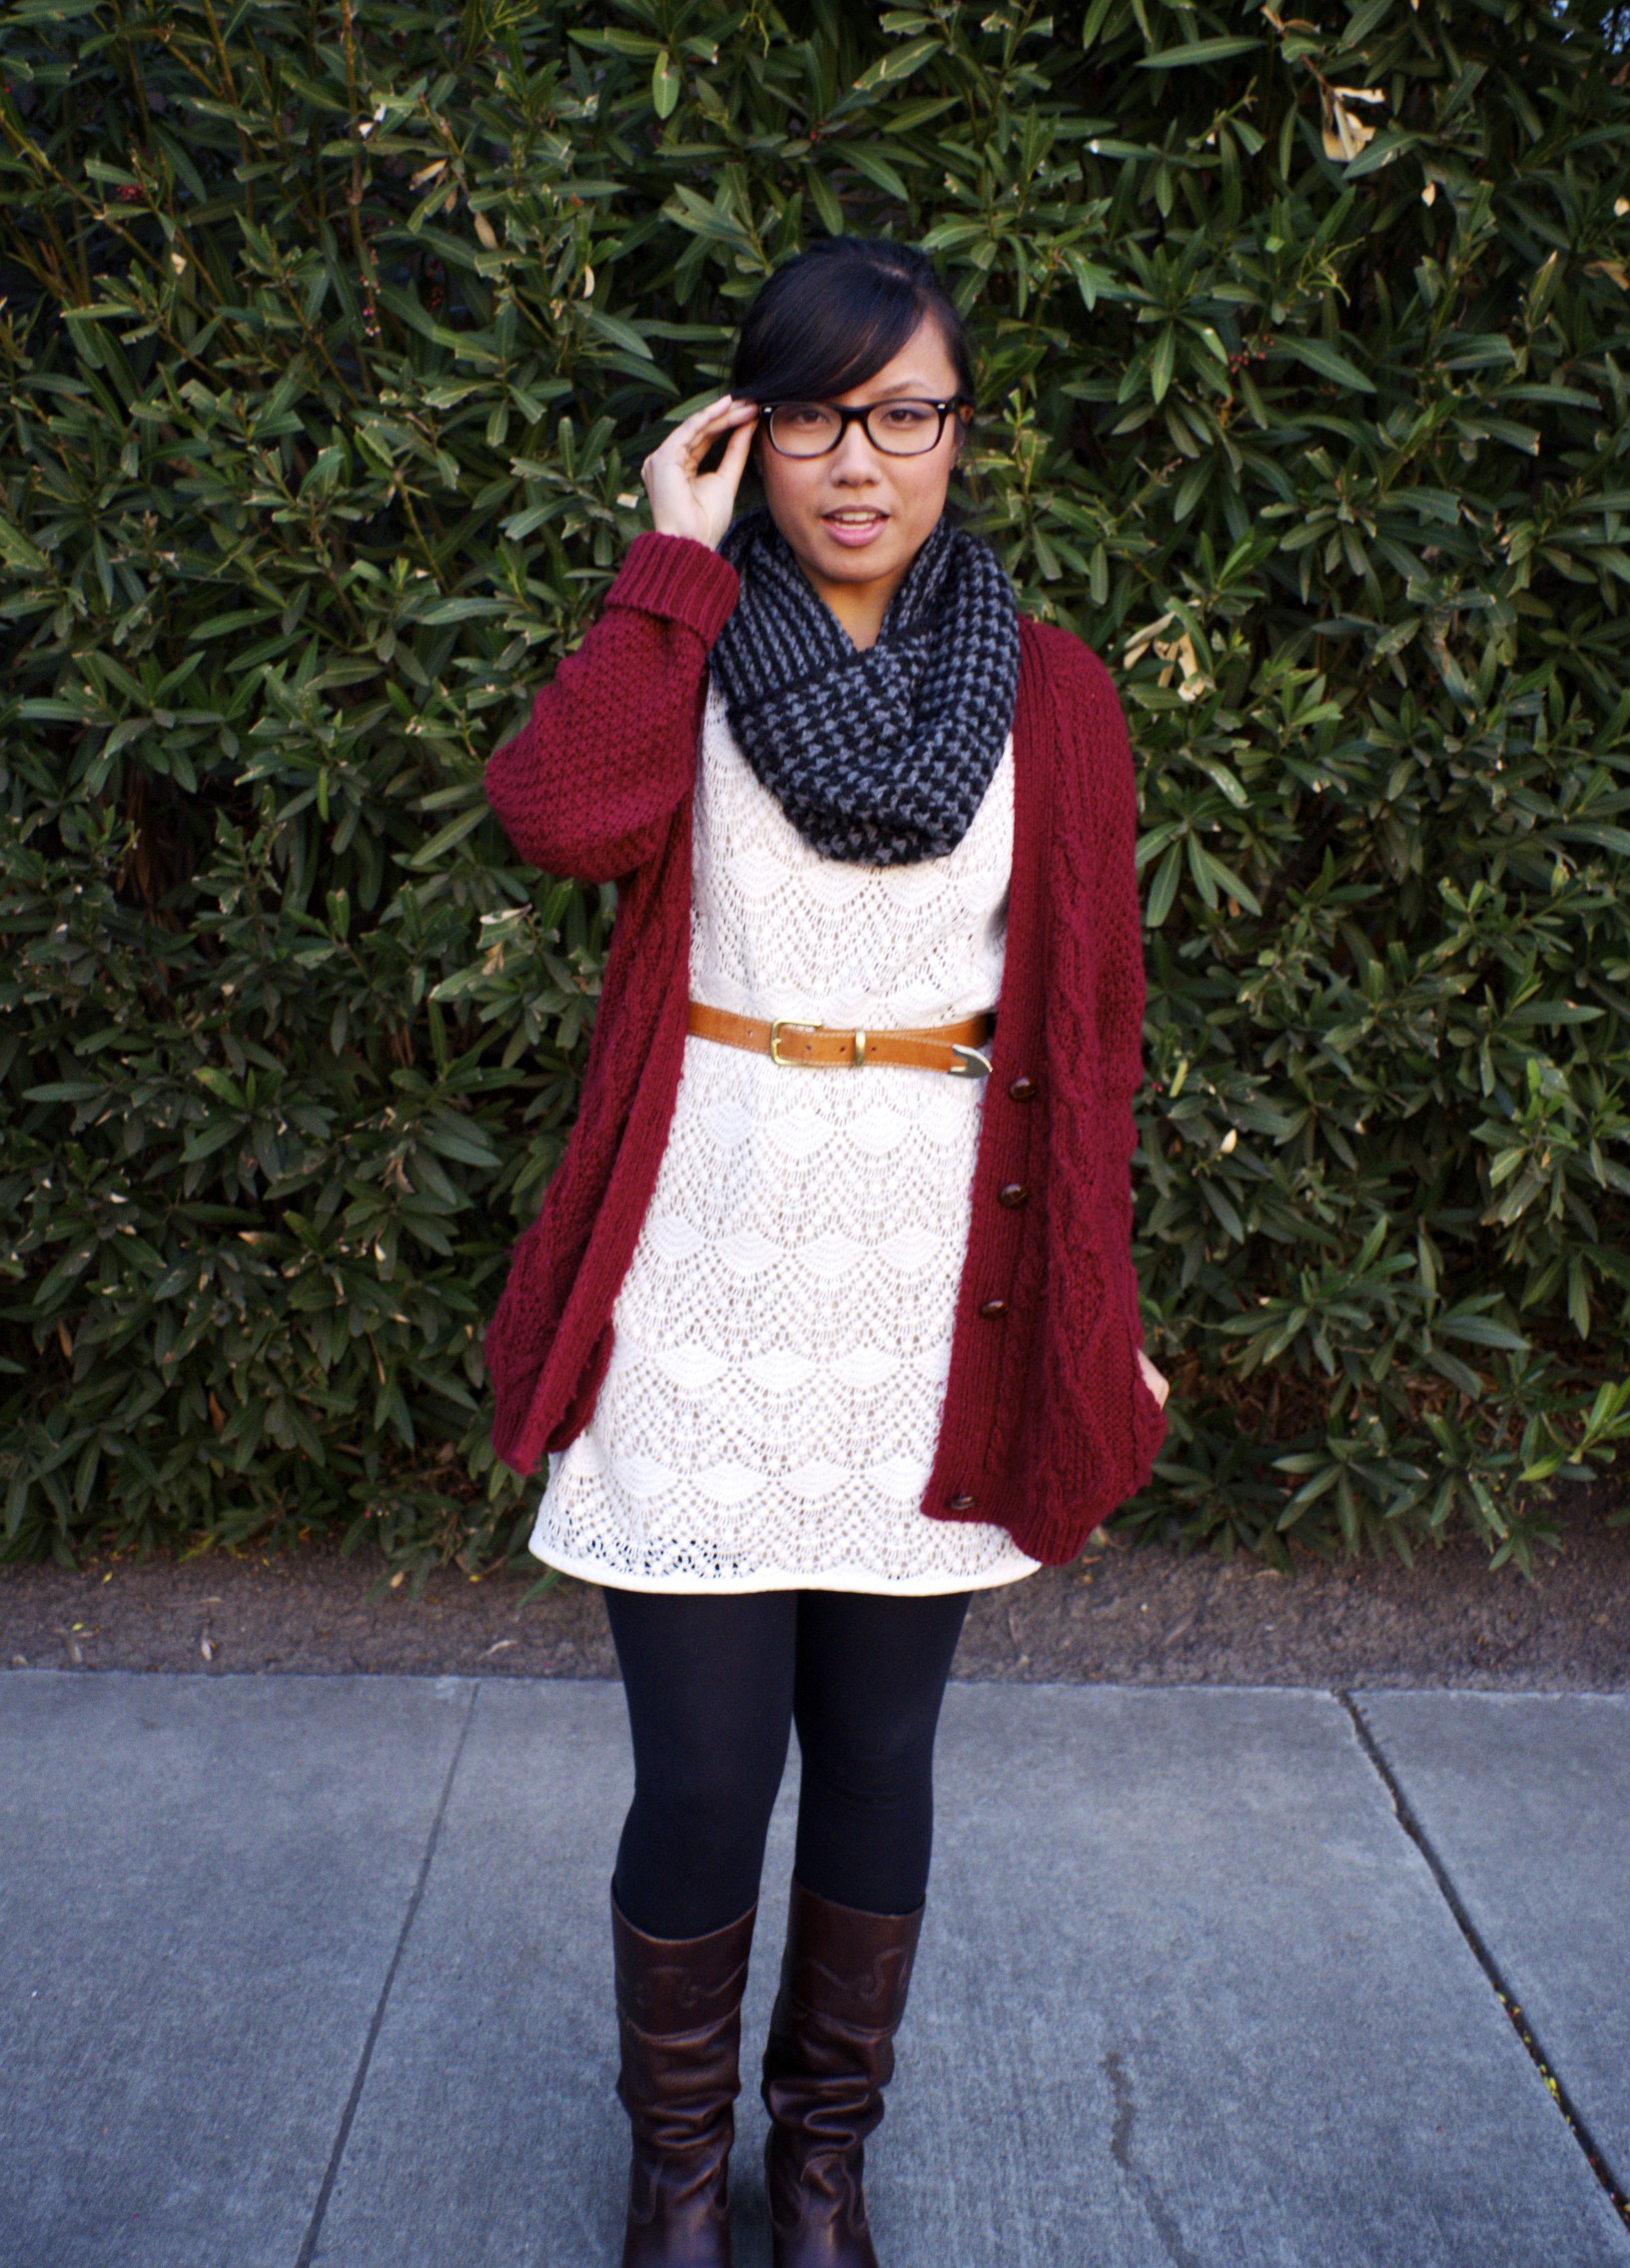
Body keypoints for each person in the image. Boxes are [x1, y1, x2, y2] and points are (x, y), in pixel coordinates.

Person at [480, 235, 1171, 2268]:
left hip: (932, 1296)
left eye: (904, 414)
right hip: (700, 1276)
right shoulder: (683, 650)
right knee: (704, 1779)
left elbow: (1093, 1033)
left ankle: (822, 2167)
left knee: (876, 1755)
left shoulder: (1056, 692)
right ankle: (675, 2176)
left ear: (961, 433)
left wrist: (1105, 1315)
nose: (858, 462)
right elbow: (560, 815)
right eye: (811, 418)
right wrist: (665, 565)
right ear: (744, 434)